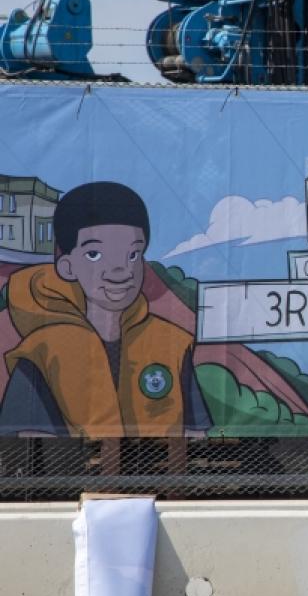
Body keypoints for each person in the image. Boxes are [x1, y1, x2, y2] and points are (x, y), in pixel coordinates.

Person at [0, 181, 210, 438]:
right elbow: (29, 437)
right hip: (70, 474)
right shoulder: (42, 353)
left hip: (158, 472)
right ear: (67, 266)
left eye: (133, 254)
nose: (120, 270)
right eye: (94, 254)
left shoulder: (172, 343)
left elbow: (194, 431)